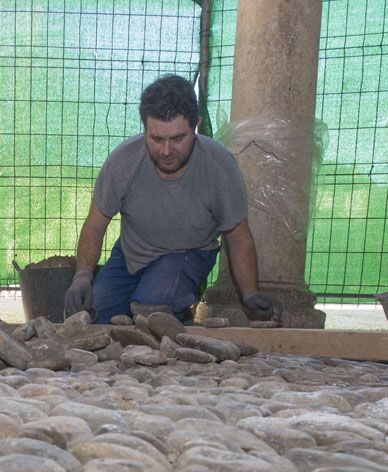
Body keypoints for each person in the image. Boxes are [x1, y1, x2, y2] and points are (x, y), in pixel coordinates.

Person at [63, 74, 280, 324]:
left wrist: (249, 293)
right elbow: (95, 225)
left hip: (189, 253)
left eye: (178, 139)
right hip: (132, 254)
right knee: (90, 318)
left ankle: (175, 314)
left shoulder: (219, 167)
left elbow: (238, 235)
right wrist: (82, 275)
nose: (166, 151)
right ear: (144, 128)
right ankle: (177, 318)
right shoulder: (123, 161)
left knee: (150, 312)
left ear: (195, 126)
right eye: (156, 139)